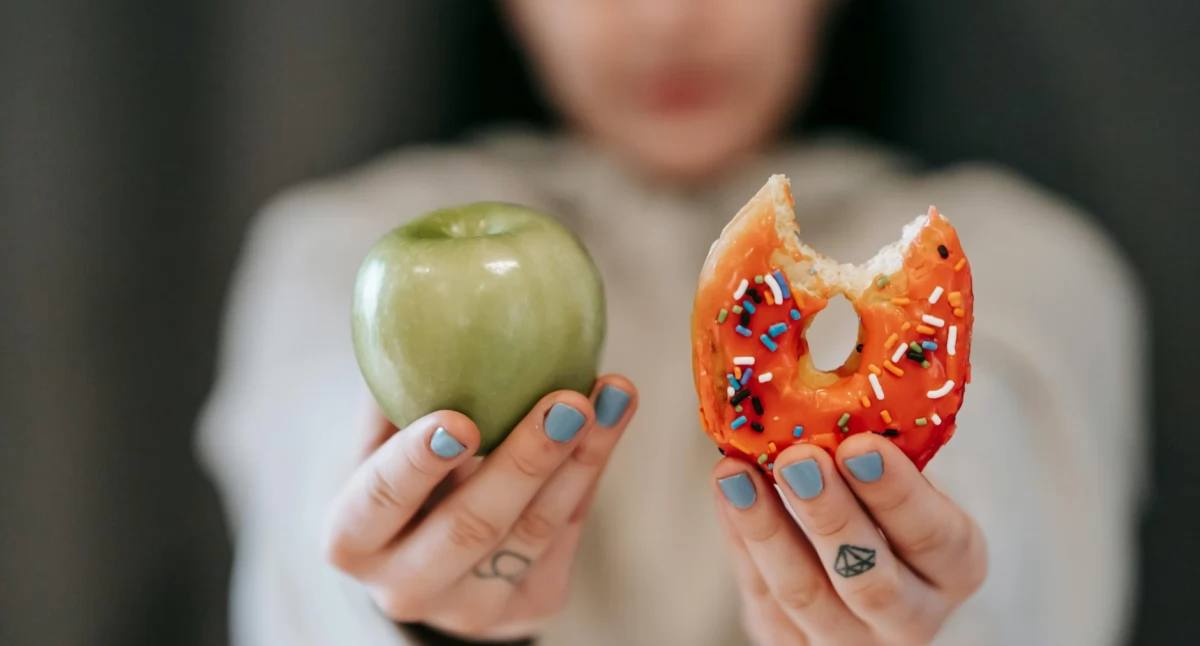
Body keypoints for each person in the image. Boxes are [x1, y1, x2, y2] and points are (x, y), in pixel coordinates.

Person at [196, 1, 1148, 644]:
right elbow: (310, 472)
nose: (668, 18)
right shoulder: (333, 248)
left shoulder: (1028, 258)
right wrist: (399, 600)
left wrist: (932, 608)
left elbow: (1012, 500)